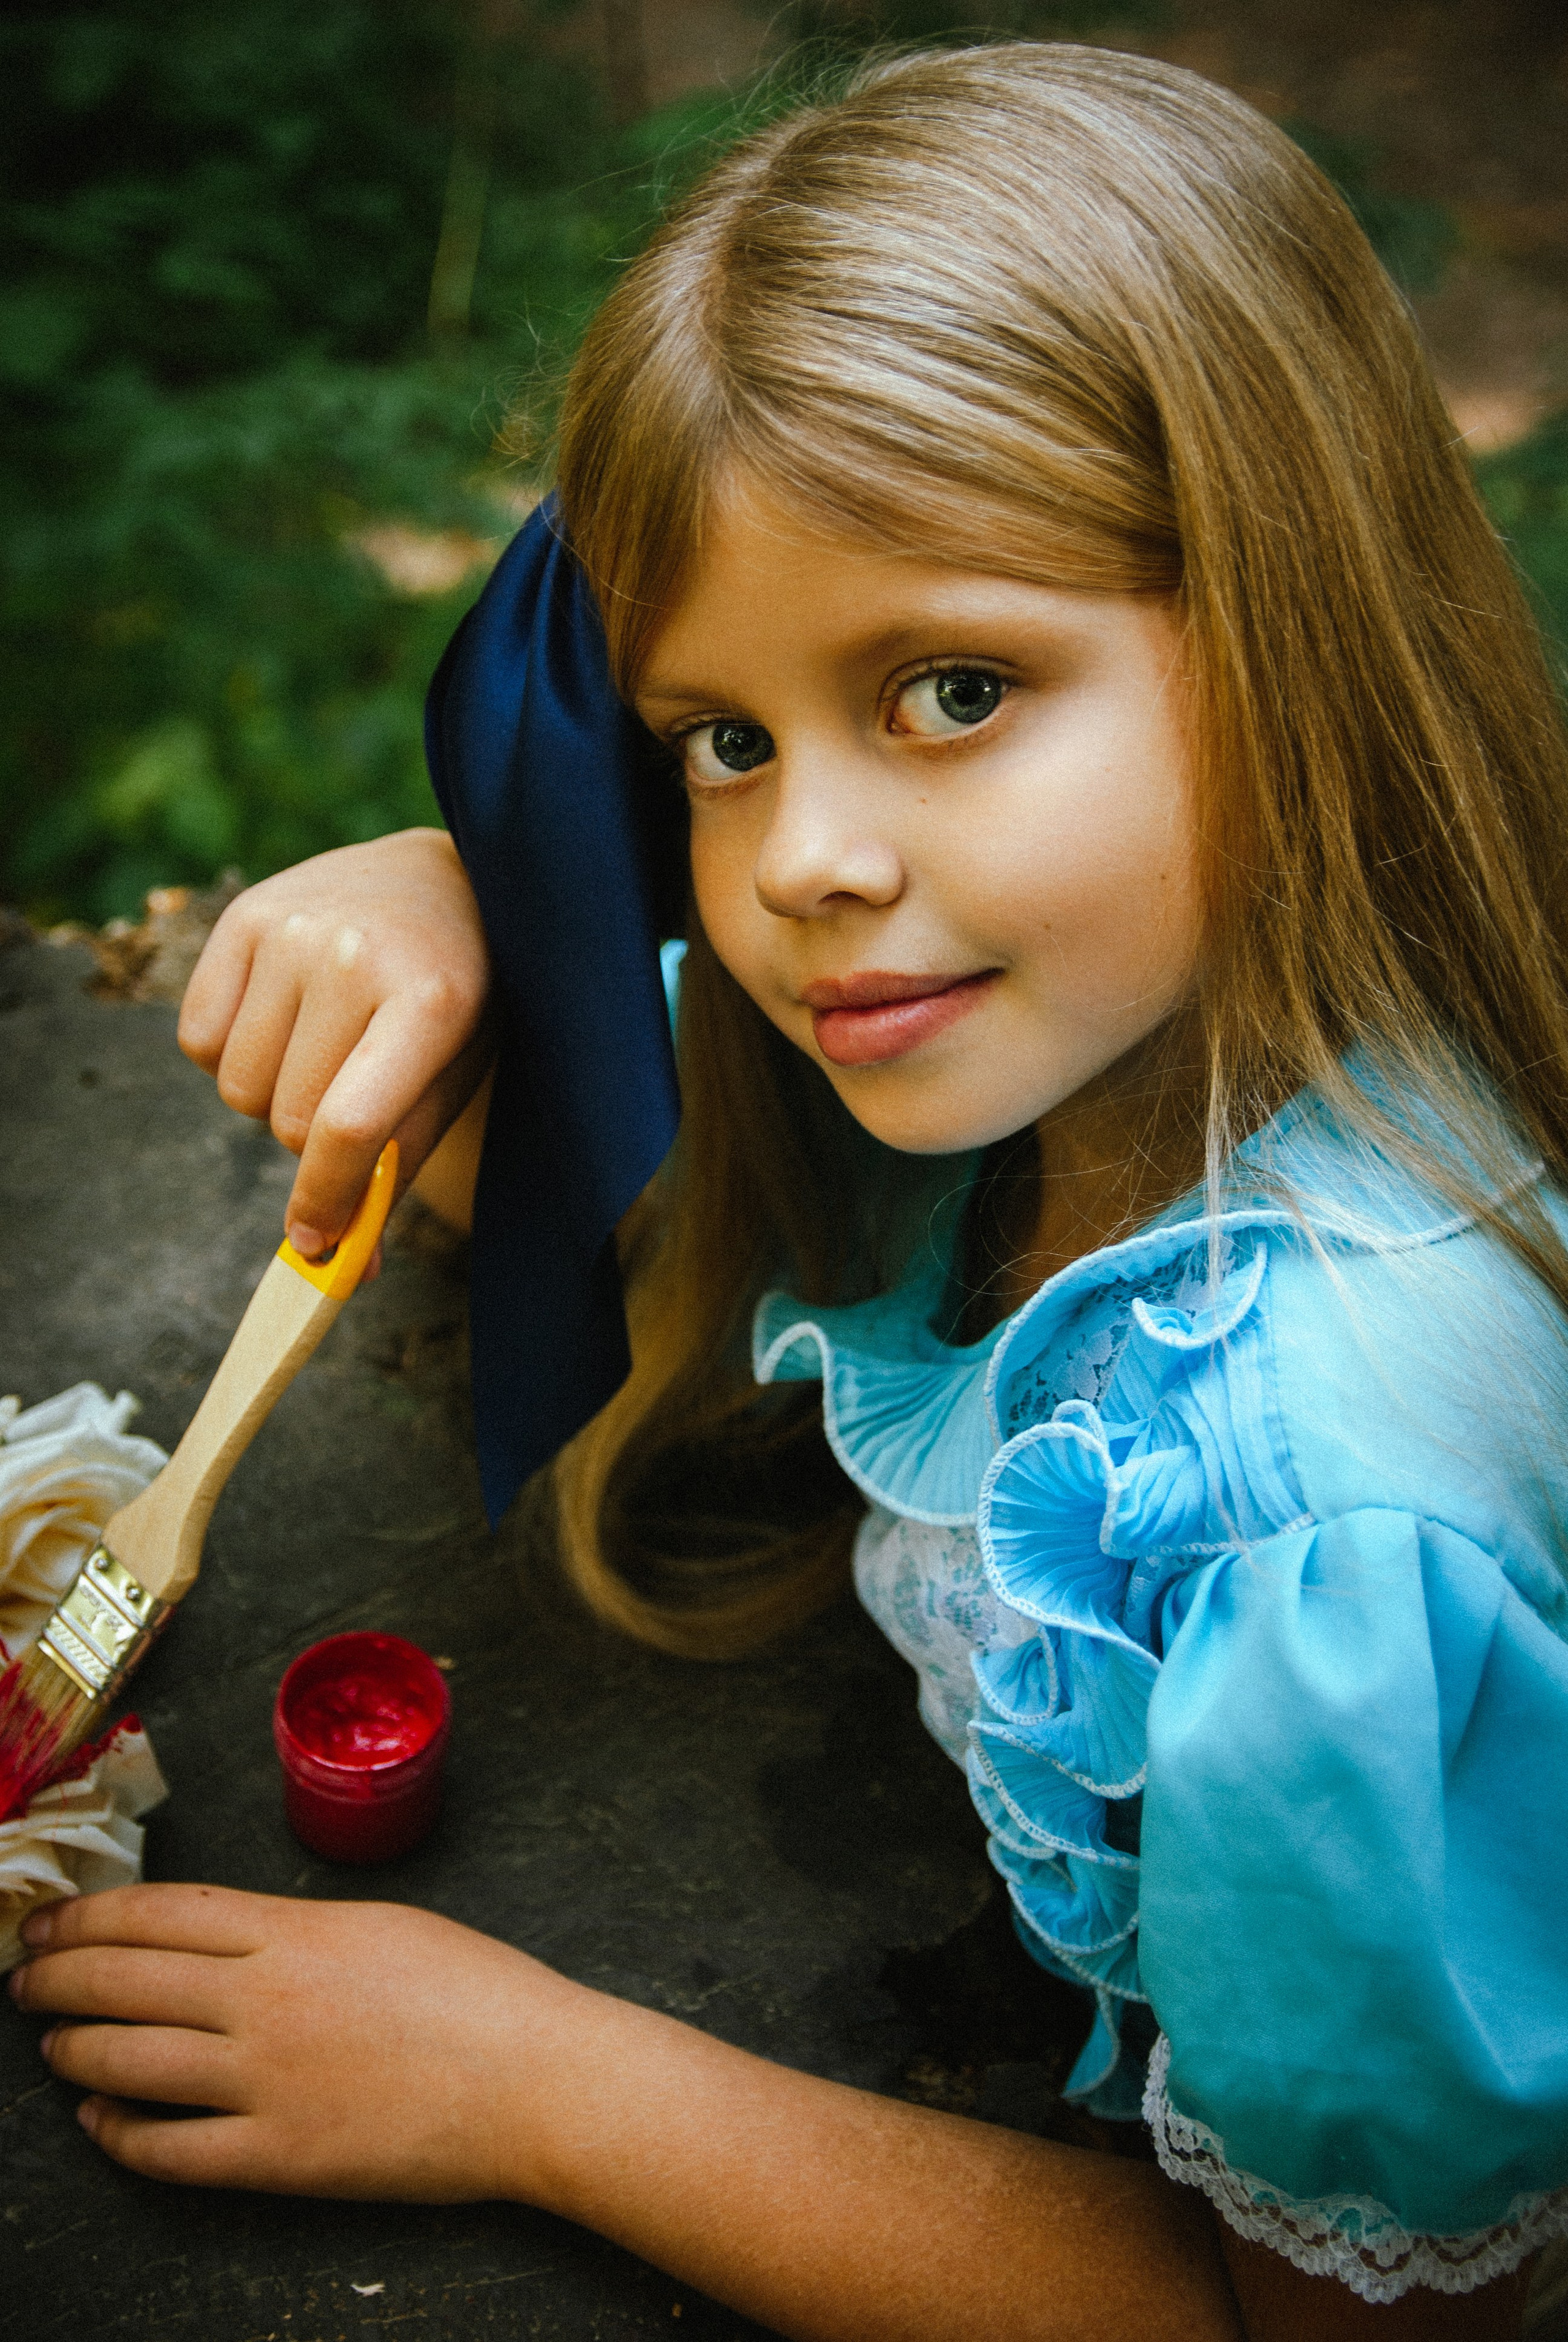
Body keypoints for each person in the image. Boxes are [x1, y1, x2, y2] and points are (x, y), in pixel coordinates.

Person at [10, 42, 1568, 2341]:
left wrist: (536, 2087)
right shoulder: (1048, 1017)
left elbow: (1342, 2337)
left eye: (950, 683)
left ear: (1295, 626)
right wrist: (458, 911)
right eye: (718, 742)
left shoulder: (1326, 1531)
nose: (803, 864)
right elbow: (592, 1223)